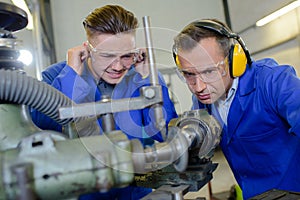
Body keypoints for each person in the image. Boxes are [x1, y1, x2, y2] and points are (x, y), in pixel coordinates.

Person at [31, 4, 178, 200]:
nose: (117, 66)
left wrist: (147, 79)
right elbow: (43, 125)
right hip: (82, 192)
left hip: (136, 191)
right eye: (107, 56)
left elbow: (164, 133)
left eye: (126, 55)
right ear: (88, 48)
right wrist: (71, 77)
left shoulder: (141, 74)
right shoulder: (57, 76)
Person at [172, 18, 300, 199]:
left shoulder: (272, 82)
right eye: (188, 74)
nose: (199, 86)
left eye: (209, 71)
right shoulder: (203, 101)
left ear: (234, 60)